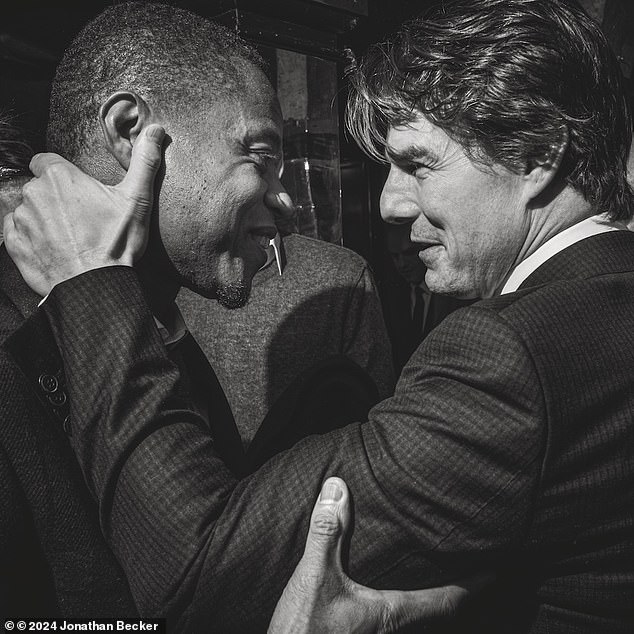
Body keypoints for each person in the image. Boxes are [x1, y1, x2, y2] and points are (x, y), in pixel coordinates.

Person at [6, 0, 634, 631]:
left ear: (536, 155)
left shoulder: (518, 354)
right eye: (259, 153)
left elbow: (199, 573)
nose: (389, 204)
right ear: (129, 132)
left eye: (419, 164)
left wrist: (92, 284)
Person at [178, 231, 395, 448]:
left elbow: (376, 415)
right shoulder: (175, 282)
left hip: (310, 477)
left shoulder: (343, 274)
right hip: (198, 474)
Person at [383, 222, 468, 373]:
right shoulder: (390, 296)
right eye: (395, 256)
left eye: (408, 253)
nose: (402, 264)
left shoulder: (456, 293)